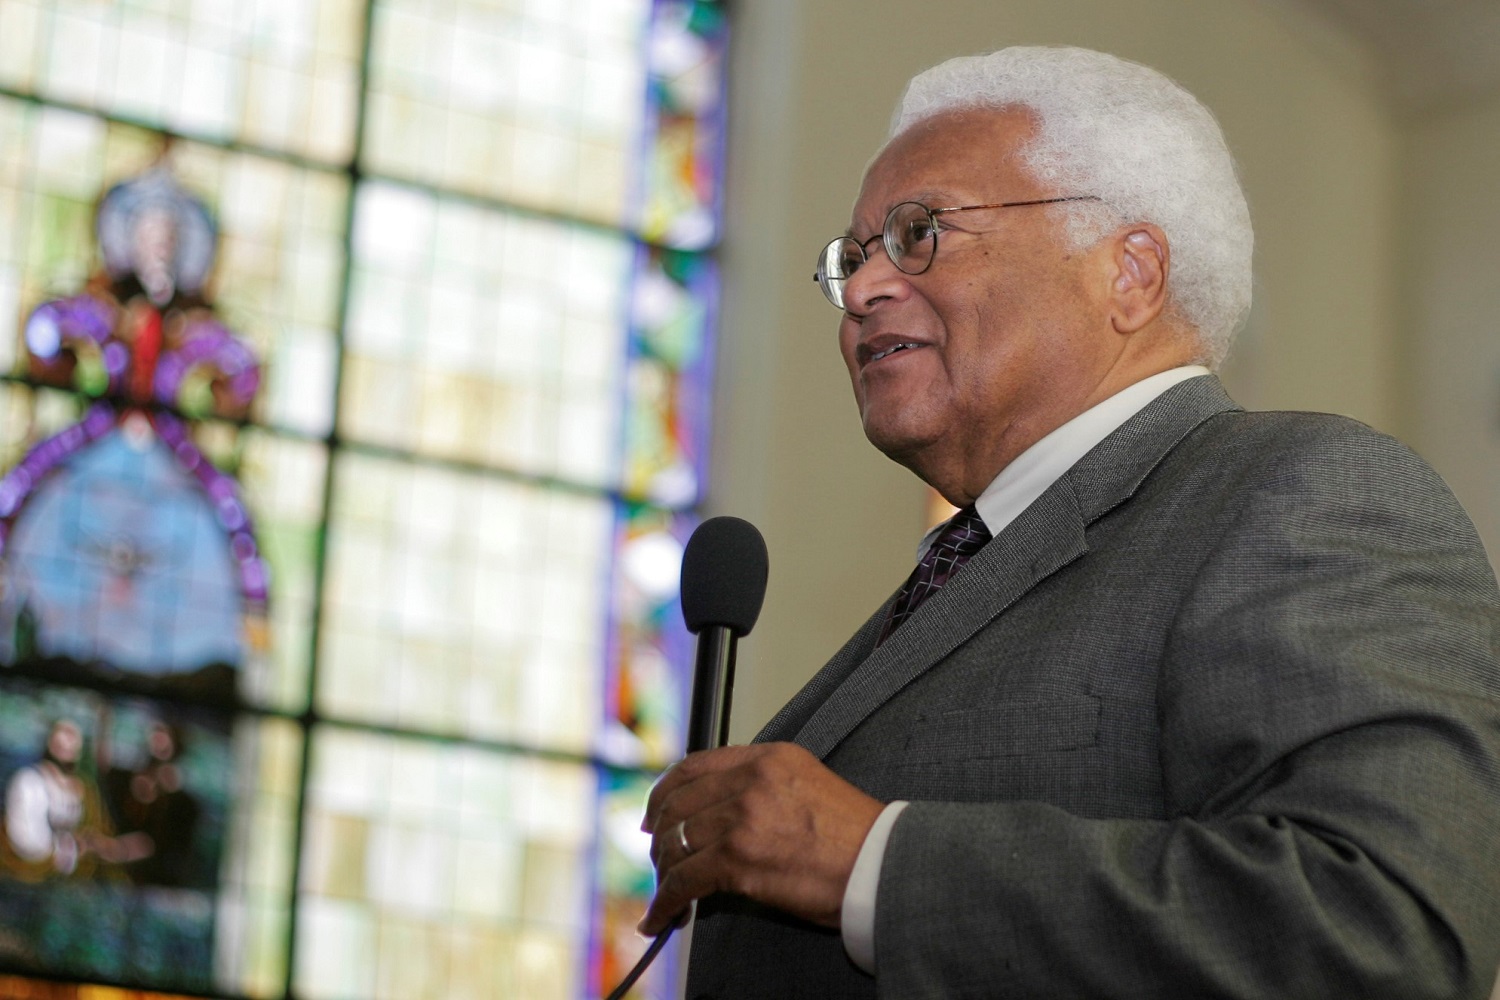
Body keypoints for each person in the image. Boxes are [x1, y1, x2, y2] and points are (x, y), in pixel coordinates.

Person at [640, 46, 1500, 999]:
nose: (866, 290)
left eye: (920, 233)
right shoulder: (971, 563)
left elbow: (1384, 928)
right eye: (854, 258)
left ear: (1130, 273)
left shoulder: (1304, 490)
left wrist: (870, 864)